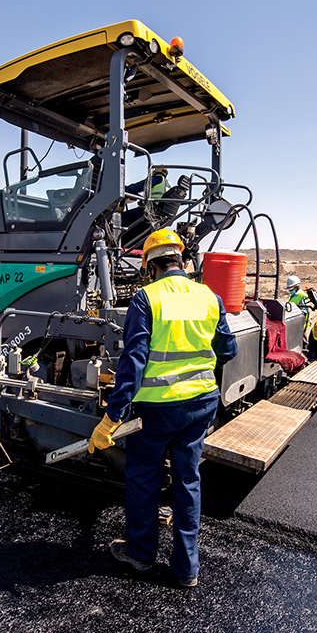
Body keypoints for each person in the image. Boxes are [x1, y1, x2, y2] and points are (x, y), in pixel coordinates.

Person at [89, 228, 237, 588]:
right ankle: (187, 569)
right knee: (188, 482)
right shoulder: (209, 296)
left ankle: (140, 555)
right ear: (182, 261)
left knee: (144, 480)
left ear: (149, 266)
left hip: (156, 411)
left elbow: (134, 362)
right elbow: (228, 350)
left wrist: (112, 416)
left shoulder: (146, 299)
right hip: (201, 404)